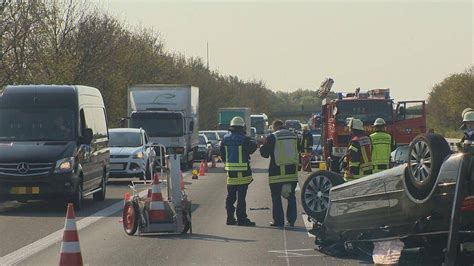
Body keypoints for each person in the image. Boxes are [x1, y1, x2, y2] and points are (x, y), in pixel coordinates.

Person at [260, 120, 299, 227]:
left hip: (276, 173)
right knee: (291, 197)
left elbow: (264, 153)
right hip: (292, 172)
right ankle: (291, 220)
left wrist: (263, 144)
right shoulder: (293, 136)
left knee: (276, 197)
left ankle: (278, 221)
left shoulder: (273, 137)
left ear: (275, 127)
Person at [220, 116, 257, 226]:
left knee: (230, 197)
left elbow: (222, 154)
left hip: (230, 173)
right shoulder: (244, 139)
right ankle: (242, 219)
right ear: (242, 127)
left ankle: (230, 218)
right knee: (241, 198)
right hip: (243, 172)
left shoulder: (225, 139)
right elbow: (252, 149)